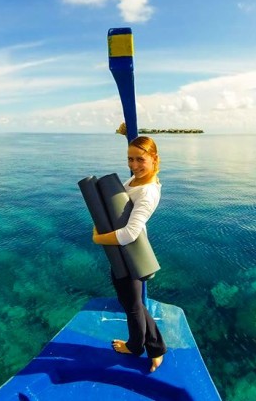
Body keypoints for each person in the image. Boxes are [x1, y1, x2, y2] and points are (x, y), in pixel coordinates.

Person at [91, 135, 167, 373]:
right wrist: (129, 133)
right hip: (121, 255)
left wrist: (98, 238)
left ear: (154, 159)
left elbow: (129, 233)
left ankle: (136, 347)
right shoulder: (138, 179)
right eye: (129, 159)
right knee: (131, 303)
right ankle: (156, 347)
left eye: (139, 159)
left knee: (132, 306)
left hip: (130, 256)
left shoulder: (147, 192)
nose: (133, 165)